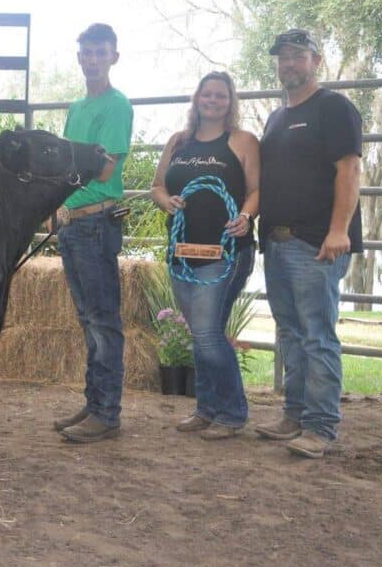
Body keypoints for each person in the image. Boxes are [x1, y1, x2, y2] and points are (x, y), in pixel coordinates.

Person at [253, 29, 363, 459]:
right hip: (277, 243)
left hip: (315, 242)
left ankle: (320, 425)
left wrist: (340, 230)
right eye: (283, 57)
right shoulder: (277, 117)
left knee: (317, 335)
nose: (289, 64)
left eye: (298, 55)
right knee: (291, 334)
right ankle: (294, 414)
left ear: (316, 61)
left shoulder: (334, 108)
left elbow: (349, 170)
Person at [151, 72, 260, 440]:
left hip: (226, 252)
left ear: (231, 102)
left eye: (221, 96)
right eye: (207, 94)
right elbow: (157, 186)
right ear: (197, 99)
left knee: (208, 334)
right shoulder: (178, 142)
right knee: (200, 334)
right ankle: (207, 408)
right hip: (183, 253)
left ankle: (231, 413)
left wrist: (245, 217)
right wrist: (167, 201)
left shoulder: (242, 141)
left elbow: (256, 190)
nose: (213, 101)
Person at [52, 23, 133, 443]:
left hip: (95, 222)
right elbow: (69, 165)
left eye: (100, 52)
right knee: (89, 319)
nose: (93, 60)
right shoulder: (77, 107)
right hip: (75, 222)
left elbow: (105, 169)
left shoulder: (116, 106)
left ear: (113, 57)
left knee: (102, 321)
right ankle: (95, 402)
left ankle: (106, 412)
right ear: (80, 57)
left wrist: (66, 202)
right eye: (86, 53)